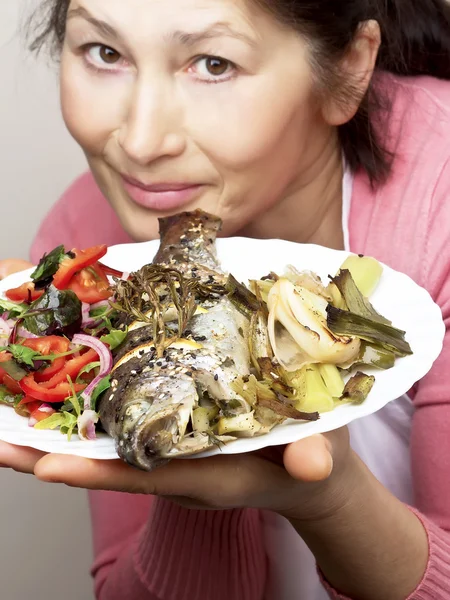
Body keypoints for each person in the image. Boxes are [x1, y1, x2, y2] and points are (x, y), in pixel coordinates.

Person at [1, 0, 450, 598]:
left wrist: (332, 499)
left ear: (348, 69)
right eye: (104, 52)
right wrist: (184, 469)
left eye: (213, 63)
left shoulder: (439, 202)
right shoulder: (86, 250)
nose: (140, 141)